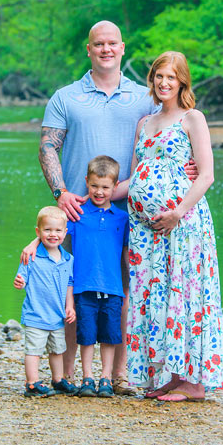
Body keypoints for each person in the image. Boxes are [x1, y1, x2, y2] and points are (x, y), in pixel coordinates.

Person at [33, 20, 157, 394]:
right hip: (78, 215)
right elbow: (47, 147)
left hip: (131, 213)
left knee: (124, 291)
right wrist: (61, 193)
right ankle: (68, 374)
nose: (105, 49)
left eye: (112, 43)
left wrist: (190, 164)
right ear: (89, 50)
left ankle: (117, 375)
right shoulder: (66, 97)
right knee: (74, 289)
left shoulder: (144, 97)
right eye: (98, 44)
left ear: (122, 48)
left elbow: (169, 137)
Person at [125, 52, 223, 401]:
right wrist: (94, 195)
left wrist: (178, 210)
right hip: (147, 231)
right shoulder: (144, 123)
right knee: (159, 295)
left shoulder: (192, 118)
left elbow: (207, 174)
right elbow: (136, 175)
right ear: (151, 80)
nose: (164, 83)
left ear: (183, 81)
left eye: (171, 77)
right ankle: (172, 374)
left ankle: (195, 383)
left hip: (183, 225)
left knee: (186, 293)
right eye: (158, 76)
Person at [67, 155, 129, 398]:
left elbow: (126, 255)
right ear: (86, 182)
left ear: (115, 187)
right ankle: (87, 378)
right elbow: (56, 237)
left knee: (110, 335)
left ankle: (106, 377)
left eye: (105, 187)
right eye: (94, 186)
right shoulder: (77, 214)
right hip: (84, 286)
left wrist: (129, 285)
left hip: (113, 288)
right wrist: (33, 245)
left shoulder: (122, 218)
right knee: (87, 335)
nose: (99, 192)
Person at [13, 206, 78, 398]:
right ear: (38, 232)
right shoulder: (32, 256)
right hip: (36, 314)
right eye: (47, 230)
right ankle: (32, 383)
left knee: (57, 349)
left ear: (65, 232)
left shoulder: (68, 259)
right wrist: (19, 281)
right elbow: (21, 276)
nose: (52, 234)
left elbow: (69, 283)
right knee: (34, 350)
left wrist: (69, 306)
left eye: (58, 230)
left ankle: (58, 380)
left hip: (57, 315)